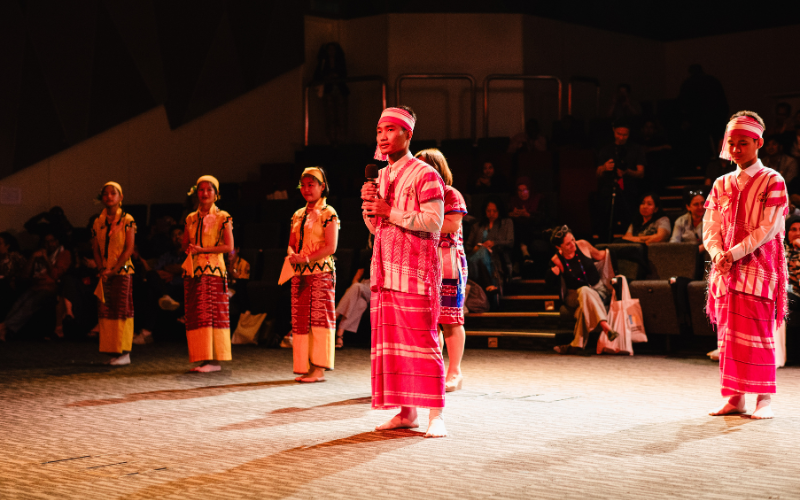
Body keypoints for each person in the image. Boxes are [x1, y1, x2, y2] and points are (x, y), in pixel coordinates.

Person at [361, 106, 447, 438]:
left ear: (408, 134)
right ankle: (406, 412)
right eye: (379, 130)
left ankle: (436, 414)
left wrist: (389, 210)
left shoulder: (426, 174)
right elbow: (377, 228)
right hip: (385, 271)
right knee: (394, 345)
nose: (383, 137)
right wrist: (370, 209)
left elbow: (434, 222)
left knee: (423, 342)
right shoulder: (380, 176)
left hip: (415, 271)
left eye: (390, 130)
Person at [704, 111, 788, 419]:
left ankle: (764, 399)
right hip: (726, 270)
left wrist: (735, 252)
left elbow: (768, 228)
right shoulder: (721, 183)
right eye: (732, 143)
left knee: (758, 335)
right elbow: (710, 225)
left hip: (759, 269)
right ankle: (735, 398)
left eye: (743, 143)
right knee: (728, 337)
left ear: (758, 143)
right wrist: (717, 253)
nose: (736, 149)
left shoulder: (773, 180)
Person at [416, 148, 468, 392]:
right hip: (423, 264)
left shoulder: (450, 193)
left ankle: (455, 372)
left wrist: (414, 221)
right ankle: (431, 370)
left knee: (450, 319)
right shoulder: (415, 198)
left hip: (448, 263)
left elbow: (451, 224)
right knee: (428, 321)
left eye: (425, 166)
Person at [287, 167, 339, 383]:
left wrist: (306, 258)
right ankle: (305, 366)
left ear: (322, 186)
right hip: (300, 273)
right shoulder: (298, 214)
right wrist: (292, 255)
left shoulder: (328, 213)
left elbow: (331, 247)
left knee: (319, 318)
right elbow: (291, 244)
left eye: (311, 185)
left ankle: (319, 368)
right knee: (301, 320)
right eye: (303, 185)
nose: (306, 189)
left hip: (321, 272)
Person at [182, 175, 234, 373]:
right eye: (201, 190)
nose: (204, 193)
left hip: (213, 271)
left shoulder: (223, 217)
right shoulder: (190, 218)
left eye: (209, 190)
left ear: (216, 194)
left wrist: (202, 250)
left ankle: (214, 360)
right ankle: (204, 358)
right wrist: (189, 248)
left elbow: (228, 246)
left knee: (212, 314)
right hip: (194, 271)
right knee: (198, 315)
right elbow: (185, 244)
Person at [549, 226, 618, 354]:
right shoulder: (556, 260)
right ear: (559, 247)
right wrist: (553, 274)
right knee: (584, 290)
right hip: (574, 296)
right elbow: (550, 283)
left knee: (583, 309)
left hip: (598, 290)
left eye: (573, 240)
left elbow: (602, 256)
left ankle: (575, 345)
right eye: (568, 244)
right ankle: (605, 326)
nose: (572, 244)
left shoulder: (583, 245)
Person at [90, 182, 137, 365]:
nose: (109, 196)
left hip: (122, 271)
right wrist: (102, 269)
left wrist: (114, 269)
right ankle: (112, 350)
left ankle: (124, 352)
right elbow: (95, 249)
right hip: (105, 272)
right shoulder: (98, 221)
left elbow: (129, 248)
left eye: (113, 193)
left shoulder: (127, 219)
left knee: (121, 310)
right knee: (106, 310)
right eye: (105, 194)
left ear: (120, 197)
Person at [0, 231, 70, 341]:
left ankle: (4, 327)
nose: (49, 244)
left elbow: (55, 275)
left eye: (52, 241)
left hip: (51, 287)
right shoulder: (39, 253)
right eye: (46, 242)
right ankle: (4, 327)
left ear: (57, 241)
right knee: (19, 302)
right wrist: (32, 258)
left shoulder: (64, 253)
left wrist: (46, 259)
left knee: (30, 303)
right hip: (36, 286)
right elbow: (25, 275)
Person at [595, 120, 646, 238]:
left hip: (629, 190)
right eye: (619, 134)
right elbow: (597, 173)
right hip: (609, 189)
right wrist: (604, 167)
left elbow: (641, 173)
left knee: (629, 219)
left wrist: (627, 171)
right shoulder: (606, 150)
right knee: (606, 220)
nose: (621, 137)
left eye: (625, 135)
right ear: (614, 131)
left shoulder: (636, 149)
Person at [465, 197, 514, 293]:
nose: (491, 214)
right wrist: (477, 248)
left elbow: (510, 242)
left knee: (483, 253)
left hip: (496, 256)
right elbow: (467, 247)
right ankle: (488, 284)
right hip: (474, 257)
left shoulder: (506, 223)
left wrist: (494, 243)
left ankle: (487, 284)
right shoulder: (477, 226)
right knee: (481, 251)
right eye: (488, 211)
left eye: (494, 211)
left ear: (499, 211)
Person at [334, 238, 372, 349]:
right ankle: (340, 334)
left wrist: (354, 288)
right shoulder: (368, 255)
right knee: (361, 304)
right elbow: (357, 277)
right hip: (364, 285)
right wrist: (354, 290)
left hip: (379, 288)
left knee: (356, 287)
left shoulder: (390, 256)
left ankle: (334, 316)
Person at [0, 233, 26, 322]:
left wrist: (14, 278)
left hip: (12, 286)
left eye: (0, 244)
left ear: (7, 246)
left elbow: (26, 271)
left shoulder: (14, 256)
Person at [671, 189, 705, 253]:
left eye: (702, 203)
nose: (700, 207)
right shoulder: (680, 221)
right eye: (696, 204)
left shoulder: (712, 219)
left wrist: (697, 250)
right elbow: (674, 243)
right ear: (688, 207)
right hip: (685, 254)